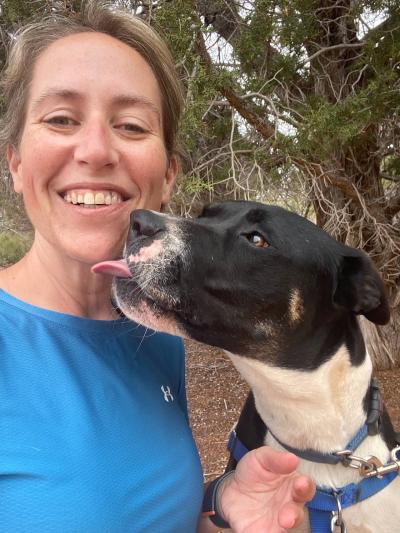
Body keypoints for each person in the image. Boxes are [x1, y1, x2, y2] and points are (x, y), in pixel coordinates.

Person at [0, 2, 314, 532]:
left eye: (130, 125)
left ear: (167, 174)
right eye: (60, 119)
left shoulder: (155, 332)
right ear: (15, 162)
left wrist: (221, 510)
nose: (96, 150)